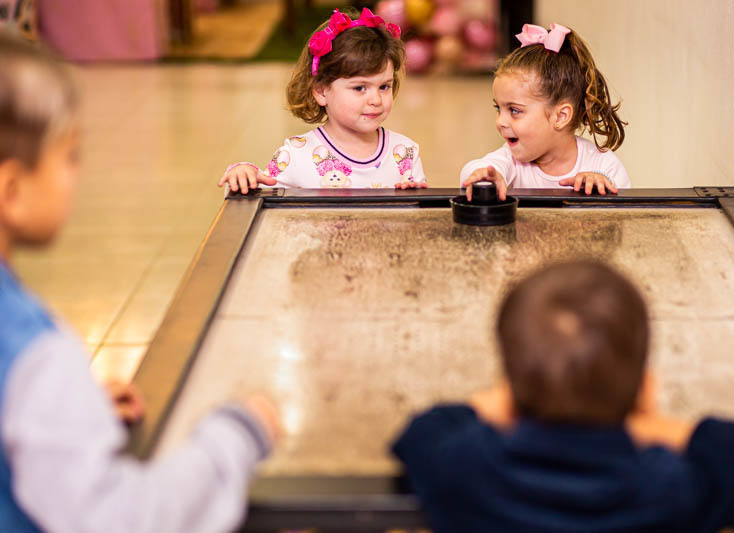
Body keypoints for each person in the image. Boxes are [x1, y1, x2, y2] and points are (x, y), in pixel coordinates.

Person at [0, 33, 281, 532]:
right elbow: (123, 519)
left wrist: (64, 417)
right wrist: (236, 435)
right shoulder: (34, 354)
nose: (79, 174)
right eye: (71, 155)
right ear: (13, 190)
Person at [393, 260, 734, 533]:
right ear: (643, 389)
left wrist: (511, 398)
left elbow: (424, 431)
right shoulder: (666, 488)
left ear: (510, 390)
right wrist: (648, 420)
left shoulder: (465, 471)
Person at [218, 7, 427, 194]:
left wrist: (415, 200)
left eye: (384, 86)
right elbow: (259, 202)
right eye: (360, 88)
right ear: (321, 91)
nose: (375, 99)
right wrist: (243, 174)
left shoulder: (405, 153)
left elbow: (419, 222)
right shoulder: (296, 155)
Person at [461, 23, 631, 200]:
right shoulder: (510, 160)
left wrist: (602, 189)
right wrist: (484, 177)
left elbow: (625, 216)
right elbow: (475, 170)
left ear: (560, 116)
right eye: (499, 108)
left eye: (514, 110)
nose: (500, 122)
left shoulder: (603, 164)